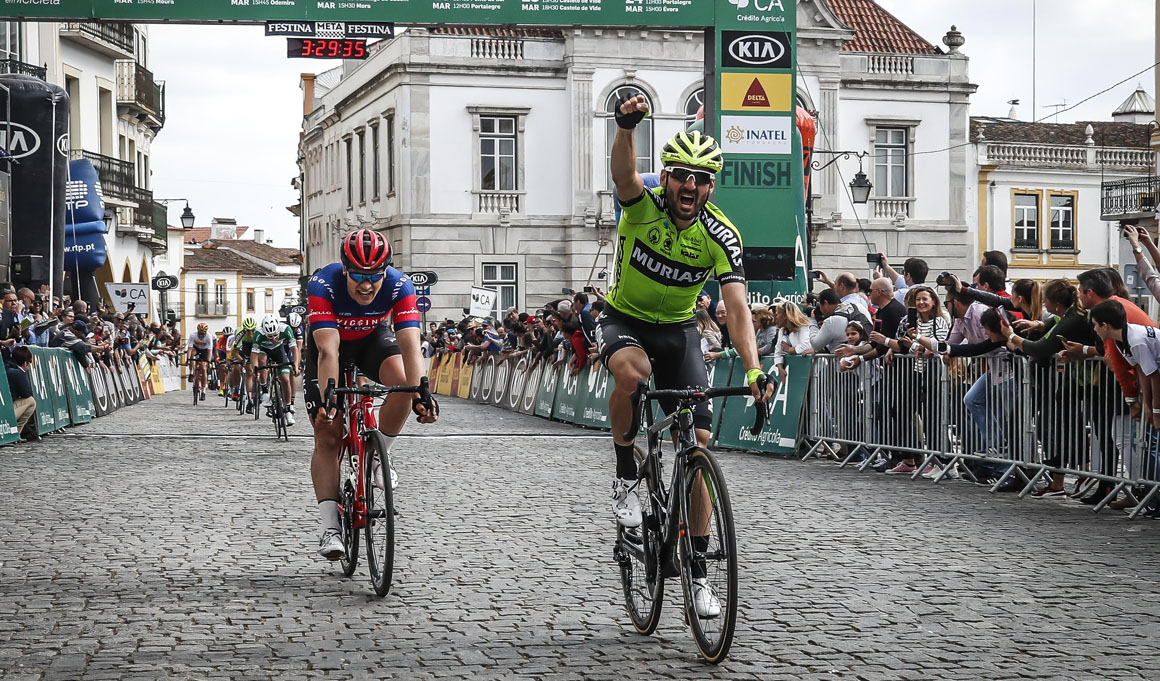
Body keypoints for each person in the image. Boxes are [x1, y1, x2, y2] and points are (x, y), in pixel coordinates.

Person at [604, 95, 772, 618]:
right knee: (633, 372)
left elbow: (738, 309)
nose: (690, 187)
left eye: (701, 179)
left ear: (711, 186)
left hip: (678, 332)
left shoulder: (722, 233)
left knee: (698, 447)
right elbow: (624, 175)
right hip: (625, 318)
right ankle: (626, 475)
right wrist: (626, 129)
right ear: (668, 177)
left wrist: (754, 368)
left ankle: (699, 573)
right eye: (680, 175)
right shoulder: (643, 203)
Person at [306, 229, 437, 561]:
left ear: (385, 272)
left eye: (374, 277)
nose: (366, 285)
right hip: (329, 345)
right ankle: (331, 528)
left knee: (404, 385)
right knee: (328, 434)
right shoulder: (323, 284)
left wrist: (422, 390)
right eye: (359, 276)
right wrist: (330, 401)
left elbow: (410, 344)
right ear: (345, 269)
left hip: (371, 340)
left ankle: (378, 455)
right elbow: (328, 352)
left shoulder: (399, 285)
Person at [251, 314, 300, 425]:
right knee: (262, 361)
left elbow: (294, 349)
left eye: (275, 335)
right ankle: (264, 391)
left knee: (285, 380)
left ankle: (288, 409)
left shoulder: (286, 329)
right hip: (264, 351)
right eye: (270, 336)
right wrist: (255, 370)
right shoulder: (259, 333)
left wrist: (296, 365)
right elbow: (254, 354)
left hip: (279, 351)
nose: (273, 339)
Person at [7, 346, 37, 441]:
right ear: (25, 363)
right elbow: (27, 394)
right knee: (31, 402)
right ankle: (16, 433)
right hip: (6, 410)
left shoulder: (6, 366)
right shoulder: (18, 373)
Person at [186, 323, 213, 402]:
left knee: (204, 368)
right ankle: (191, 373)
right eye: (200, 333)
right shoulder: (193, 335)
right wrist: (188, 359)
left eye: (203, 334)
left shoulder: (209, 337)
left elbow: (210, 350)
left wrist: (209, 361)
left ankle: (203, 391)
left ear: (205, 332)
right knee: (192, 354)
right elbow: (190, 348)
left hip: (205, 350)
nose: (201, 336)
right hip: (196, 348)